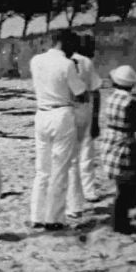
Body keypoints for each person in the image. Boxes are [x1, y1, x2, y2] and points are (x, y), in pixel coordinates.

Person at [27, 29, 88, 230]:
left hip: (41, 113)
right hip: (61, 114)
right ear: (65, 44)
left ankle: (37, 215)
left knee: (42, 170)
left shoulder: (36, 60)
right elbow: (81, 94)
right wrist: (77, 74)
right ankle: (54, 218)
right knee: (60, 168)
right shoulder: (67, 64)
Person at [95, 65, 136, 234]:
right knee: (126, 187)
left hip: (110, 139)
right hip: (124, 142)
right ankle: (120, 223)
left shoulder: (111, 98)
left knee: (121, 185)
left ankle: (119, 221)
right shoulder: (130, 102)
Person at [68, 34, 103, 209]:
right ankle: (88, 190)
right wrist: (96, 118)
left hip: (65, 110)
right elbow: (96, 92)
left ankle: (72, 192)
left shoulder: (64, 60)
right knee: (86, 151)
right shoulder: (86, 63)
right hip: (84, 111)